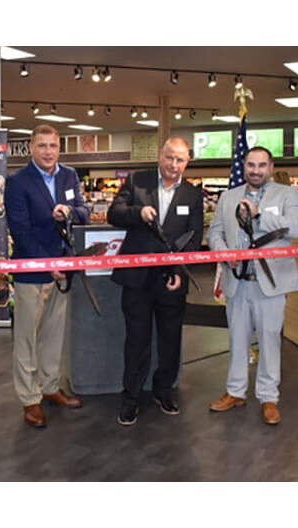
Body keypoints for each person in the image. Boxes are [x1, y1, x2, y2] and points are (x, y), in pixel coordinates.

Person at [107, 137, 203, 426]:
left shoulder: (192, 194)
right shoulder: (137, 181)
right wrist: (138, 213)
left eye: (180, 160)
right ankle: (131, 397)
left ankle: (164, 391)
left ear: (187, 162)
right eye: (170, 158)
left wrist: (178, 270)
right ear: (161, 156)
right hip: (136, 279)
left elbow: (193, 239)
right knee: (136, 339)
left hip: (171, 279)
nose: (174, 165)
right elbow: (114, 215)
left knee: (170, 338)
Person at [206, 147, 298, 425]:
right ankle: (235, 392)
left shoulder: (287, 194)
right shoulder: (228, 197)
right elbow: (215, 231)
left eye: (262, 165)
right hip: (237, 282)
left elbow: (295, 228)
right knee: (236, 339)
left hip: (271, 283)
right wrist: (225, 253)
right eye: (251, 165)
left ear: (271, 167)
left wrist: (260, 215)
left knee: (270, 340)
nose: (256, 170)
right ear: (244, 166)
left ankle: (268, 397)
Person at [5, 124, 89, 428]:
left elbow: (84, 212)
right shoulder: (17, 182)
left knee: (54, 333)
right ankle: (30, 398)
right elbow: (20, 230)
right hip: (32, 271)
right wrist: (46, 264)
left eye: (53, 146)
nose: (48, 151)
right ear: (31, 148)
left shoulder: (69, 176)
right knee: (27, 337)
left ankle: (51, 387)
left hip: (63, 268)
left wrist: (68, 211)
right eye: (42, 146)